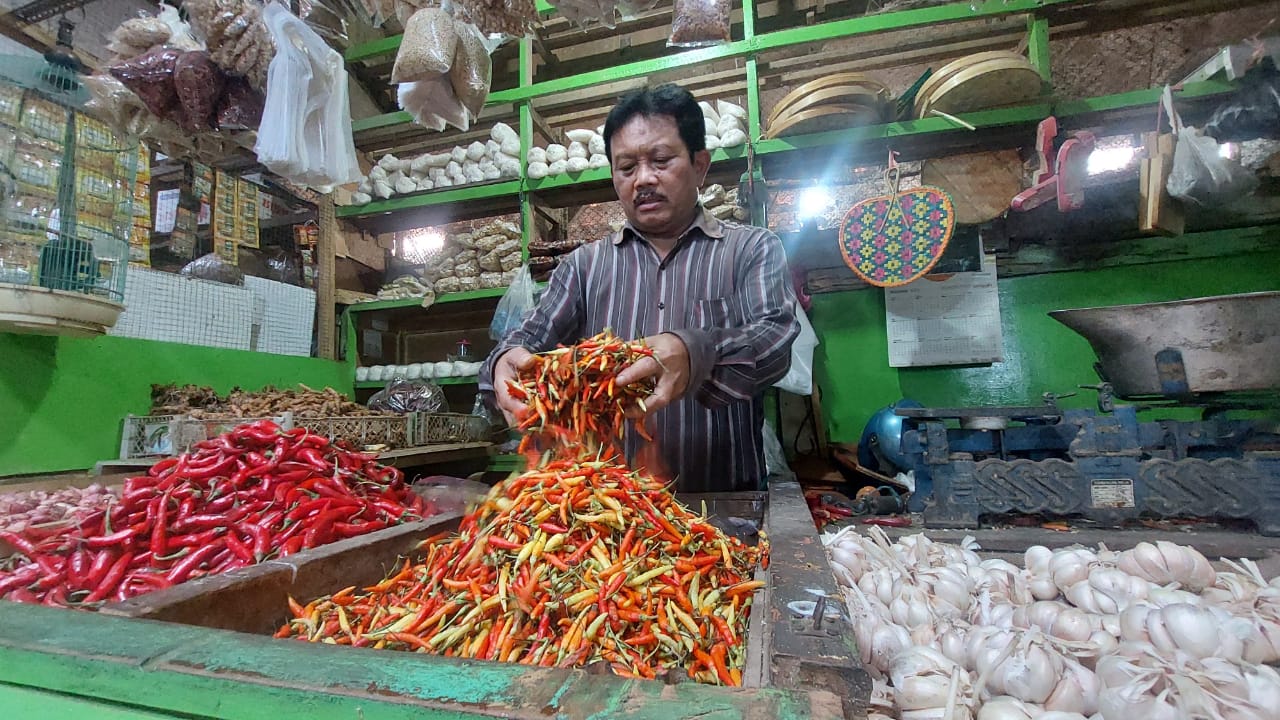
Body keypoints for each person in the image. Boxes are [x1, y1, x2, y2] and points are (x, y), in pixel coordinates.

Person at [480, 83, 800, 493]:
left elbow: (774, 343)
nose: (643, 179)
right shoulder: (585, 266)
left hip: (723, 504)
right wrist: (504, 360)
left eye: (662, 160)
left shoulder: (750, 249)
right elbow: (527, 339)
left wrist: (694, 351)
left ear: (700, 165)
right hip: (611, 514)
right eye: (627, 167)